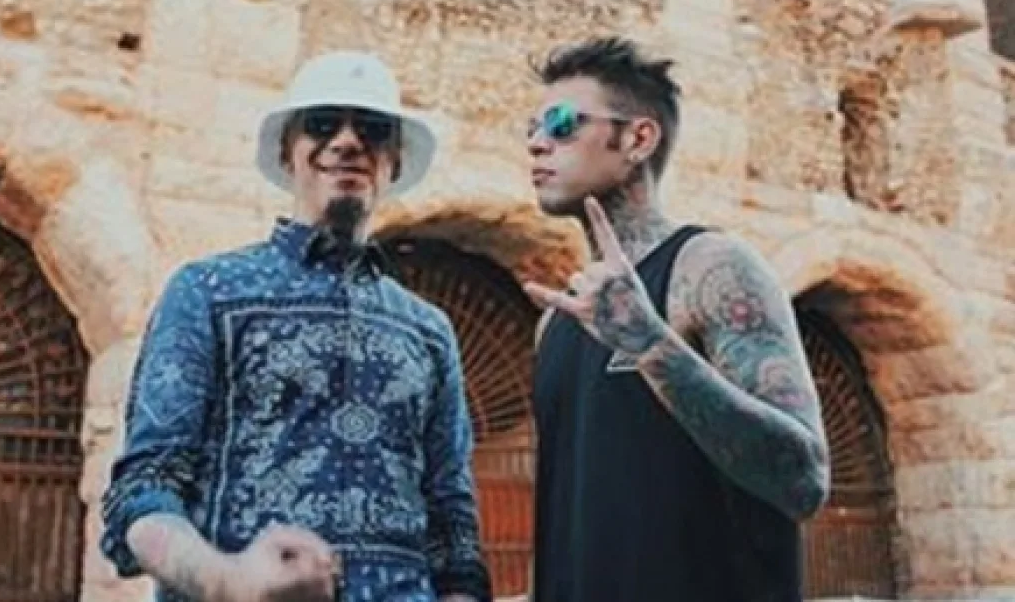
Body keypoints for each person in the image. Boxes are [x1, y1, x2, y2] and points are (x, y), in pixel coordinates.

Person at [99, 51, 493, 602]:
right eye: (323, 124)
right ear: (288, 151)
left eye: (373, 129)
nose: (348, 142)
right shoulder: (206, 291)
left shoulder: (429, 332)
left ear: (395, 160)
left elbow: (452, 520)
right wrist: (226, 579)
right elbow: (144, 490)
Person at [513, 36, 832, 601]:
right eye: (532, 128)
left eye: (562, 124)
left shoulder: (712, 269)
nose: (538, 144)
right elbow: (567, 511)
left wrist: (651, 344)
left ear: (638, 139)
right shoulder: (557, 323)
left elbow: (803, 481)